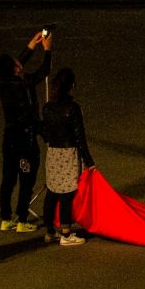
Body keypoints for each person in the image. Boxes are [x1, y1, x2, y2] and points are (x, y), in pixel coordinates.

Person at [0, 28, 52, 233]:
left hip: (9, 137)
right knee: (27, 178)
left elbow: (15, 64)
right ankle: (21, 219)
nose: (20, 64)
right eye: (17, 64)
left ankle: (5, 218)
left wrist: (31, 45)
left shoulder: (3, 82)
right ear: (15, 69)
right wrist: (47, 50)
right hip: (25, 140)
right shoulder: (24, 84)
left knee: (8, 178)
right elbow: (42, 72)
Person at [40, 65, 94, 246]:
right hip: (68, 153)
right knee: (66, 194)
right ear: (71, 86)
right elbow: (80, 137)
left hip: (53, 153)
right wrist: (89, 161)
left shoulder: (47, 107)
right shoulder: (73, 108)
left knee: (52, 191)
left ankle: (49, 230)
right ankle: (66, 233)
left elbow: (45, 133)